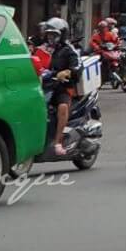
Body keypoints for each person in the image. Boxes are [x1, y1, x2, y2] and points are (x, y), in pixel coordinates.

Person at [39, 17, 80, 157]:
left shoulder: (69, 50)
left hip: (63, 88)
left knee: (62, 107)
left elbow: (78, 66)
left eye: (54, 34)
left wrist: (68, 71)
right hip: (47, 86)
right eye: (49, 34)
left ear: (62, 34)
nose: (51, 37)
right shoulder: (46, 49)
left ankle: (58, 142)